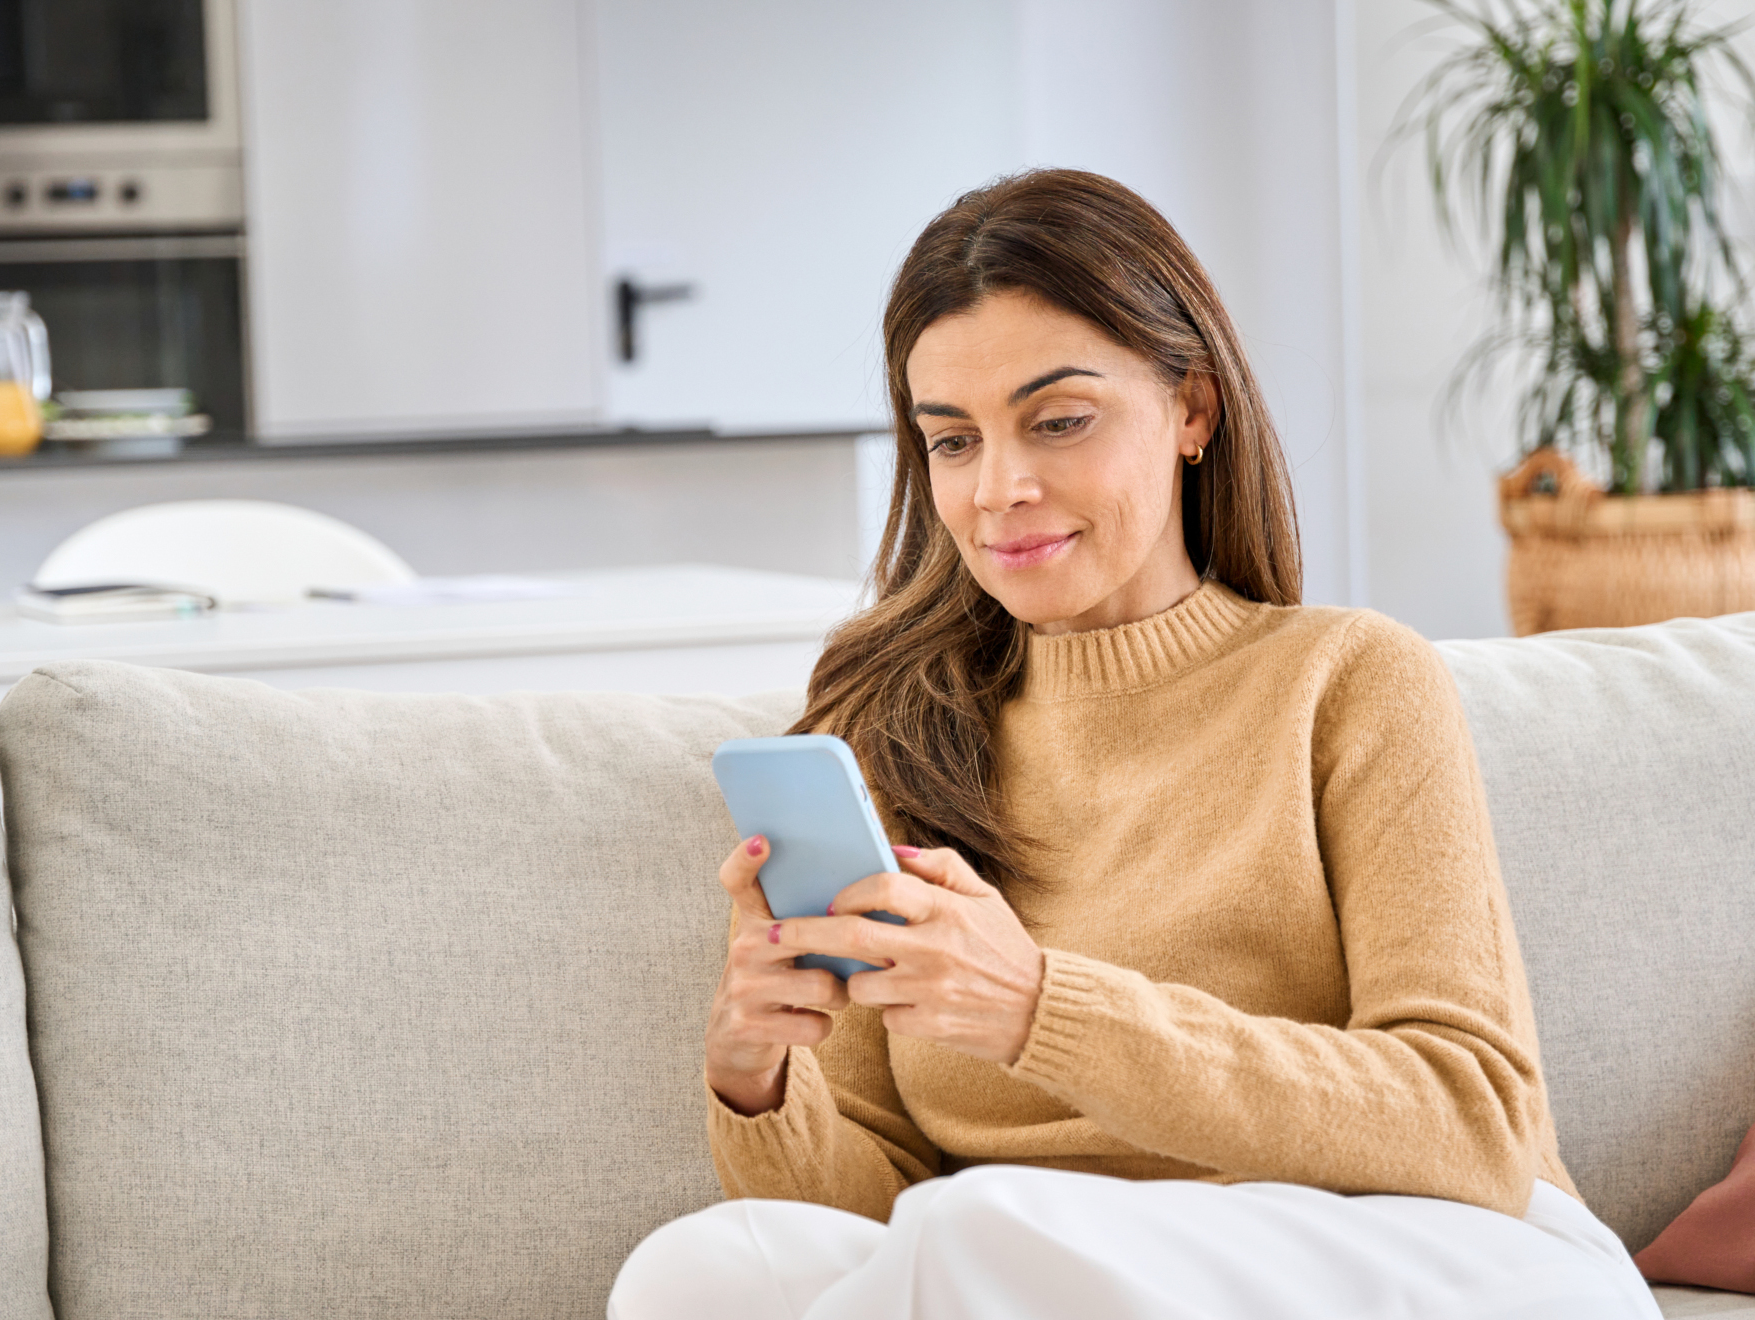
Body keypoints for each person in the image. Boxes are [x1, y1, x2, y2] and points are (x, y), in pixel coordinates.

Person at [608, 169, 1657, 1320]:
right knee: (696, 1272)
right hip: (1024, 1266)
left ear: (1192, 411)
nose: (998, 491)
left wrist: (1039, 1006)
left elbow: (1474, 1121)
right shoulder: (891, 723)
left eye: (1059, 422)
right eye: (952, 442)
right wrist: (758, 1081)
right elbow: (869, 1216)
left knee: (977, 1229)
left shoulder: (1349, 681)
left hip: (1416, 1247)